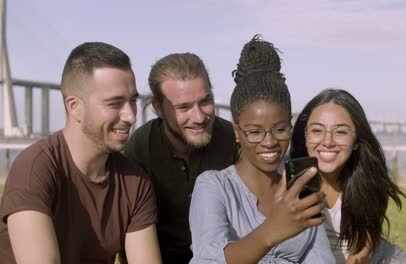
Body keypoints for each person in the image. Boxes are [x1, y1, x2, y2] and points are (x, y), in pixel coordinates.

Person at [0, 42, 162, 263]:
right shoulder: (34, 169)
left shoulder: (135, 182)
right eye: (115, 103)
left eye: (132, 101)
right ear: (74, 106)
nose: (131, 116)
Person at [189, 35, 335, 263]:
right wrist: (272, 230)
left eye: (280, 129)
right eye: (255, 132)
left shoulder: (300, 192)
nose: (269, 142)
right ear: (237, 132)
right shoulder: (214, 186)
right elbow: (208, 260)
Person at [124, 52, 238, 263]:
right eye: (183, 107)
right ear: (158, 108)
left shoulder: (235, 141)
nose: (199, 117)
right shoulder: (139, 149)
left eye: (206, 101)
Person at [290, 89, 406, 264]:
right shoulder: (290, 177)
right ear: (305, 136)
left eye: (341, 132)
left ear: (357, 141)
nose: (327, 142)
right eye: (317, 130)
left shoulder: (368, 179)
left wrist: (359, 257)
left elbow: (362, 250)